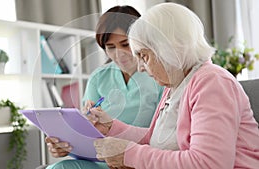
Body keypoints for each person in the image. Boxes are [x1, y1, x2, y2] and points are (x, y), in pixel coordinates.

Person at [91, 3, 259, 169]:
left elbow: (208, 164)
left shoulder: (212, 82)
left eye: (144, 56)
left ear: (168, 49)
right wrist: (111, 127)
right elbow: (156, 140)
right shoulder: (175, 86)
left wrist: (130, 155)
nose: (141, 68)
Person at [44, 5, 164, 169]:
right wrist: (65, 146)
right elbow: (86, 131)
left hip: (142, 160)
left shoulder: (160, 76)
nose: (119, 54)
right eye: (111, 47)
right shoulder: (99, 78)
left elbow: (165, 136)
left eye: (125, 44)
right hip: (104, 162)